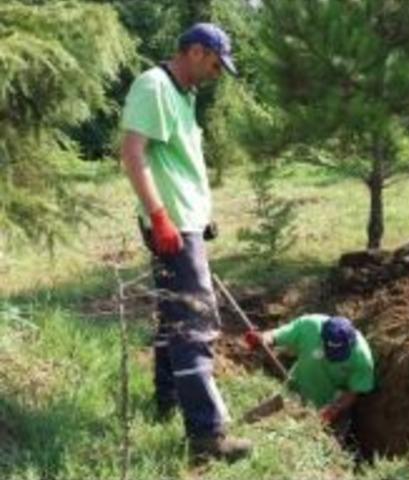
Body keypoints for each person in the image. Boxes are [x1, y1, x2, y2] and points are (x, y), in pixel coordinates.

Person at [119, 23, 250, 463]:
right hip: (170, 225)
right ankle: (207, 436)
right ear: (195, 51)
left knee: (173, 315)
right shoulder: (153, 86)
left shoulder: (184, 94)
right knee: (195, 322)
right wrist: (160, 217)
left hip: (185, 223)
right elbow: (133, 154)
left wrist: (201, 215)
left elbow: (178, 163)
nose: (217, 72)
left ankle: (168, 400)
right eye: (215, 63)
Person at [244, 315, 375, 441]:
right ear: (322, 338)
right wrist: (262, 338)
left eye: (339, 354)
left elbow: (354, 391)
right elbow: (276, 336)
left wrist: (333, 410)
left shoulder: (362, 358)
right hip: (296, 391)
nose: (334, 358)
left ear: (351, 343)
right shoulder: (310, 326)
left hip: (334, 405)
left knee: (327, 445)